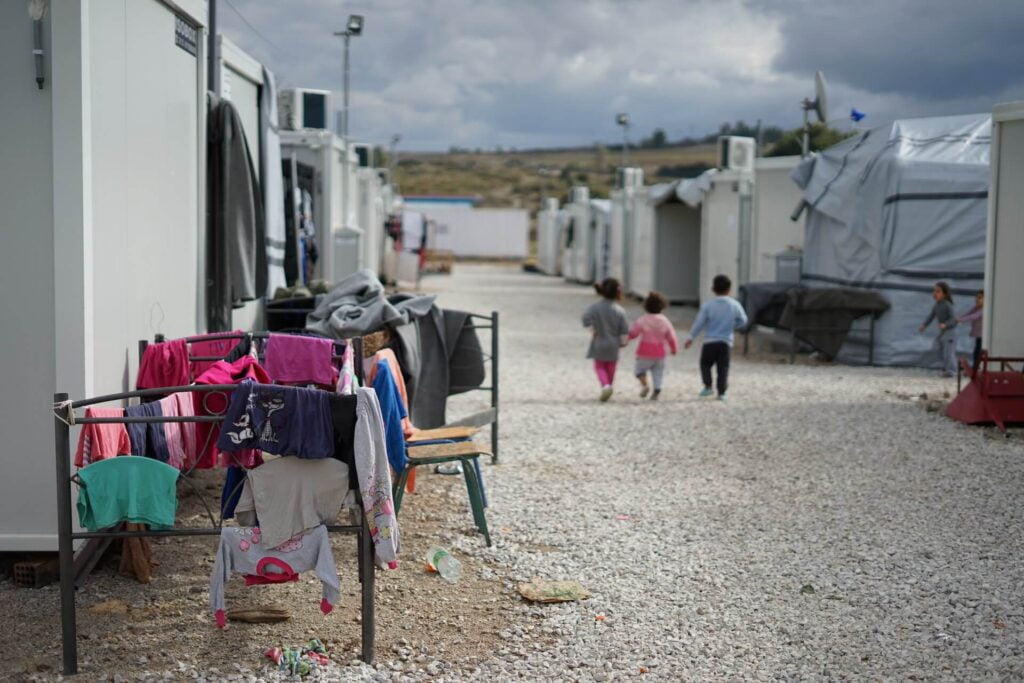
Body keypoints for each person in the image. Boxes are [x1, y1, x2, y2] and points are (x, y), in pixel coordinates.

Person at [684, 275, 748, 401]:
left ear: (713, 289)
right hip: (726, 342)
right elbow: (744, 320)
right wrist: (734, 326)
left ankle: (708, 386)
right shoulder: (734, 304)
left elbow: (699, 323)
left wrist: (691, 337)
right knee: (723, 367)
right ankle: (721, 393)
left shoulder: (708, 305)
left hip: (710, 341)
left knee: (705, 364)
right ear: (729, 289)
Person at [582, 278, 630, 402]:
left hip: (599, 341)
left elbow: (585, 318)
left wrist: (592, 328)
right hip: (614, 344)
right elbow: (624, 329)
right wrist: (624, 341)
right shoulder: (619, 310)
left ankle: (605, 386)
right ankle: (609, 385)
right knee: (611, 367)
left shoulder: (594, 307)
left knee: (599, 366)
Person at [628, 291, 678, 400]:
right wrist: (674, 348)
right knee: (658, 373)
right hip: (660, 353)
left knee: (639, 370)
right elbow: (671, 336)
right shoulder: (665, 321)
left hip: (644, 352)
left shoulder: (642, 320)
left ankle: (645, 384)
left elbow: (633, 333)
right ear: (662, 307)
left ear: (646, 306)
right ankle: (657, 389)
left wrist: (626, 338)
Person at [918, 281, 958, 377]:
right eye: (934, 291)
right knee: (936, 348)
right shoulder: (937, 305)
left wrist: (946, 324)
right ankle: (947, 367)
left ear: (944, 294)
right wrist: (924, 325)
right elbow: (931, 316)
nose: (934, 293)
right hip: (942, 333)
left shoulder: (947, 304)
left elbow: (954, 319)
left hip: (950, 333)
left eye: (938, 291)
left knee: (949, 353)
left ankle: (952, 371)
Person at [957, 290, 984, 373]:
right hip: (978, 335)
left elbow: (974, 316)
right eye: (976, 297)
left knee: (978, 352)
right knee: (976, 351)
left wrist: (961, 319)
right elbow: (969, 313)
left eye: (979, 297)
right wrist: (960, 318)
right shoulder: (976, 307)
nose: (976, 299)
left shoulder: (984, 309)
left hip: (982, 335)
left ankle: (976, 368)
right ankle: (976, 368)